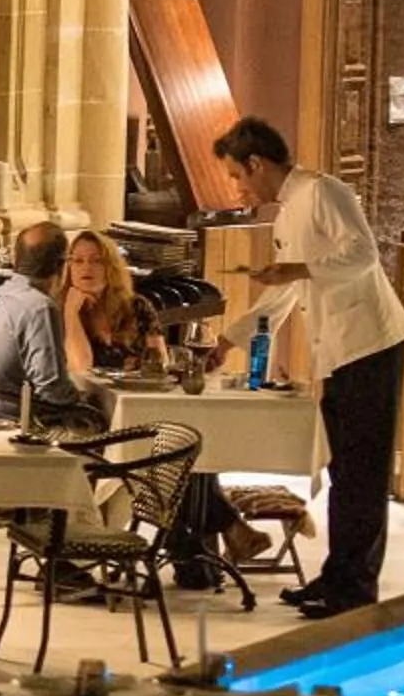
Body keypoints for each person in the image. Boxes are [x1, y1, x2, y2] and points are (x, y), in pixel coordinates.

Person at [213, 115, 404, 617]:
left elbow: (363, 255)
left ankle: (355, 591)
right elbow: (285, 293)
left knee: (363, 475)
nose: (236, 188)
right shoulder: (286, 214)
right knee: (345, 470)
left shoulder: (325, 192)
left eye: (236, 175)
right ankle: (336, 576)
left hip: (371, 344)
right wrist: (228, 340)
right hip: (339, 352)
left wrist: (298, 268)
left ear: (256, 164)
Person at [60, 225, 269, 571]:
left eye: (96, 260)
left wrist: (152, 367)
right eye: (77, 261)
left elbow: (160, 363)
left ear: (111, 267)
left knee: (190, 439)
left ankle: (195, 553)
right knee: (181, 450)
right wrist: (71, 313)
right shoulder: (63, 311)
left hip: (143, 409)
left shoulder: (137, 307)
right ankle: (217, 536)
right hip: (98, 418)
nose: (86, 268)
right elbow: (82, 367)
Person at [0, 220, 95, 428]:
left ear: (17, 258)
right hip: (14, 424)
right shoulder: (40, 307)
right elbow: (52, 389)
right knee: (99, 423)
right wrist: (86, 400)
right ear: (61, 265)